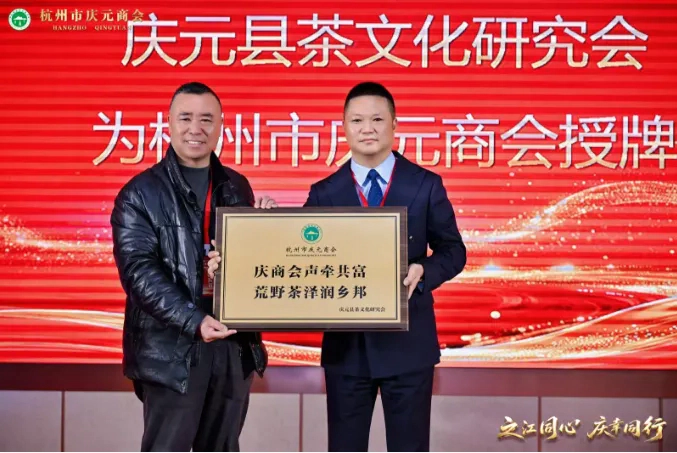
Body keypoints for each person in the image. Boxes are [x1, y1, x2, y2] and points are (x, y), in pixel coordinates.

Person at [208, 81, 467, 451]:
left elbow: (453, 251)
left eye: (377, 119)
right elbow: (297, 255)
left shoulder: (425, 184)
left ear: (395, 124)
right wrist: (262, 230)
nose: (367, 128)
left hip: (409, 346)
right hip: (347, 351)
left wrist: (424, 272)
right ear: (344, 127)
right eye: (357, 120)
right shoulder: (325, 191)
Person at [111, 81, 277, 452]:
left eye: (206, 119)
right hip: (172, 349)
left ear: (221, 126)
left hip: (232, 344)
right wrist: (193, 320)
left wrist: (269, 231)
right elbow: (138, 272)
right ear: (169, 123)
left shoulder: (237, 186)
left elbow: (247, 262)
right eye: (185, 118)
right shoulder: (140, 193)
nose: (195, 128)